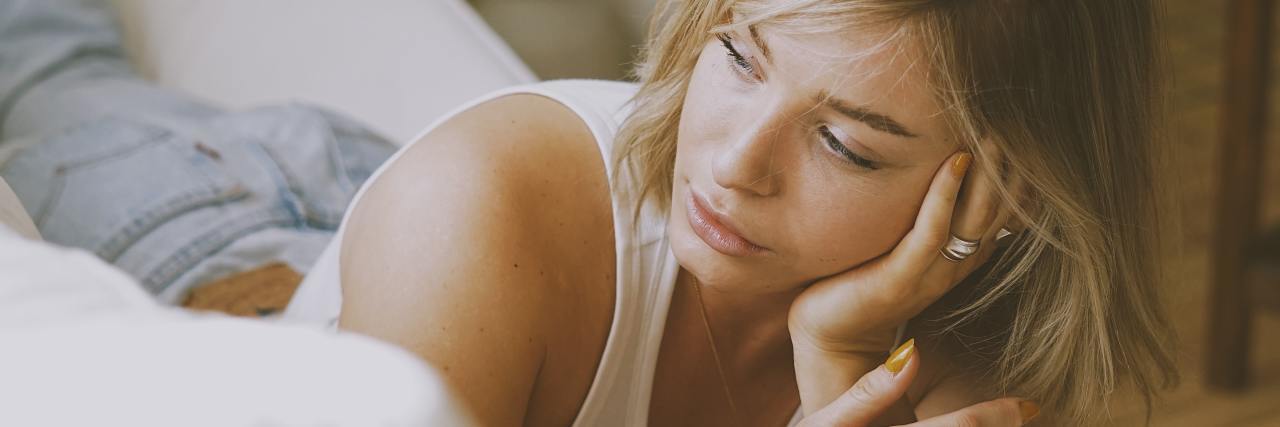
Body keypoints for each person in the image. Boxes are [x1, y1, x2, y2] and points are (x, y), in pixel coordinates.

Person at [286, 0, 1179, 425]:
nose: (732, 163)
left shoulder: (966, 363)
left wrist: (842, 363)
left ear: (1007, 192)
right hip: (240, 220)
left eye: (844, 144)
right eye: (741, 58)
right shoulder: (469, 210)